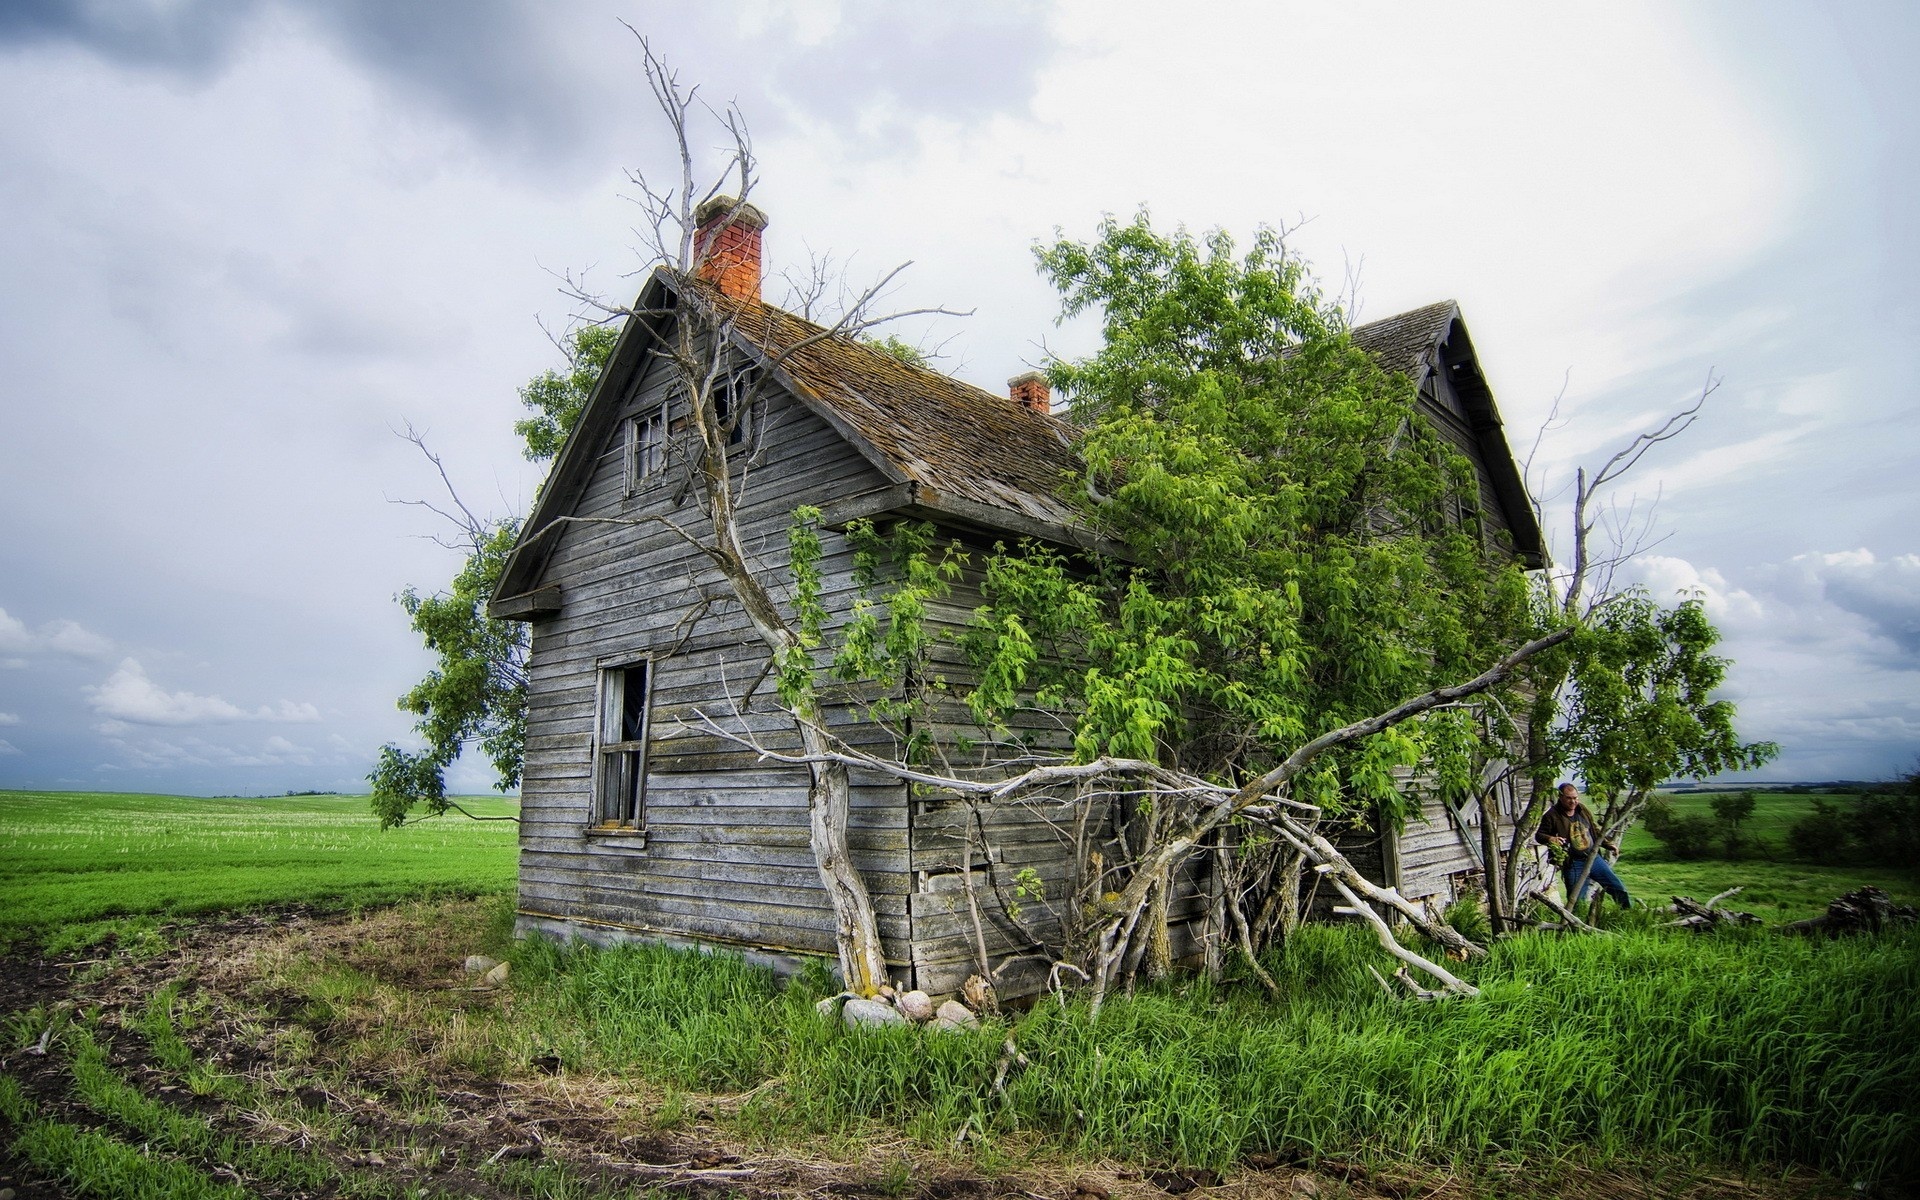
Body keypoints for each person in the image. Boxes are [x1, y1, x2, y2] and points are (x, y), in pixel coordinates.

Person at [1535, 782, 1632, 909]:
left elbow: (1594, 830)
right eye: (1569, 798)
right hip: (1573, 863)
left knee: (1617, 887)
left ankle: (1627, 913)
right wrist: (1551, 838)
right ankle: (1575, 925)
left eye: (1575, 798)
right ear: (1560, 797)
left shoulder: (1582, 810)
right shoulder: (1551, 815)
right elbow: (1539, 835)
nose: (1573, 801)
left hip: (1593, 858)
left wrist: (1609, 844)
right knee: (1576, 900)